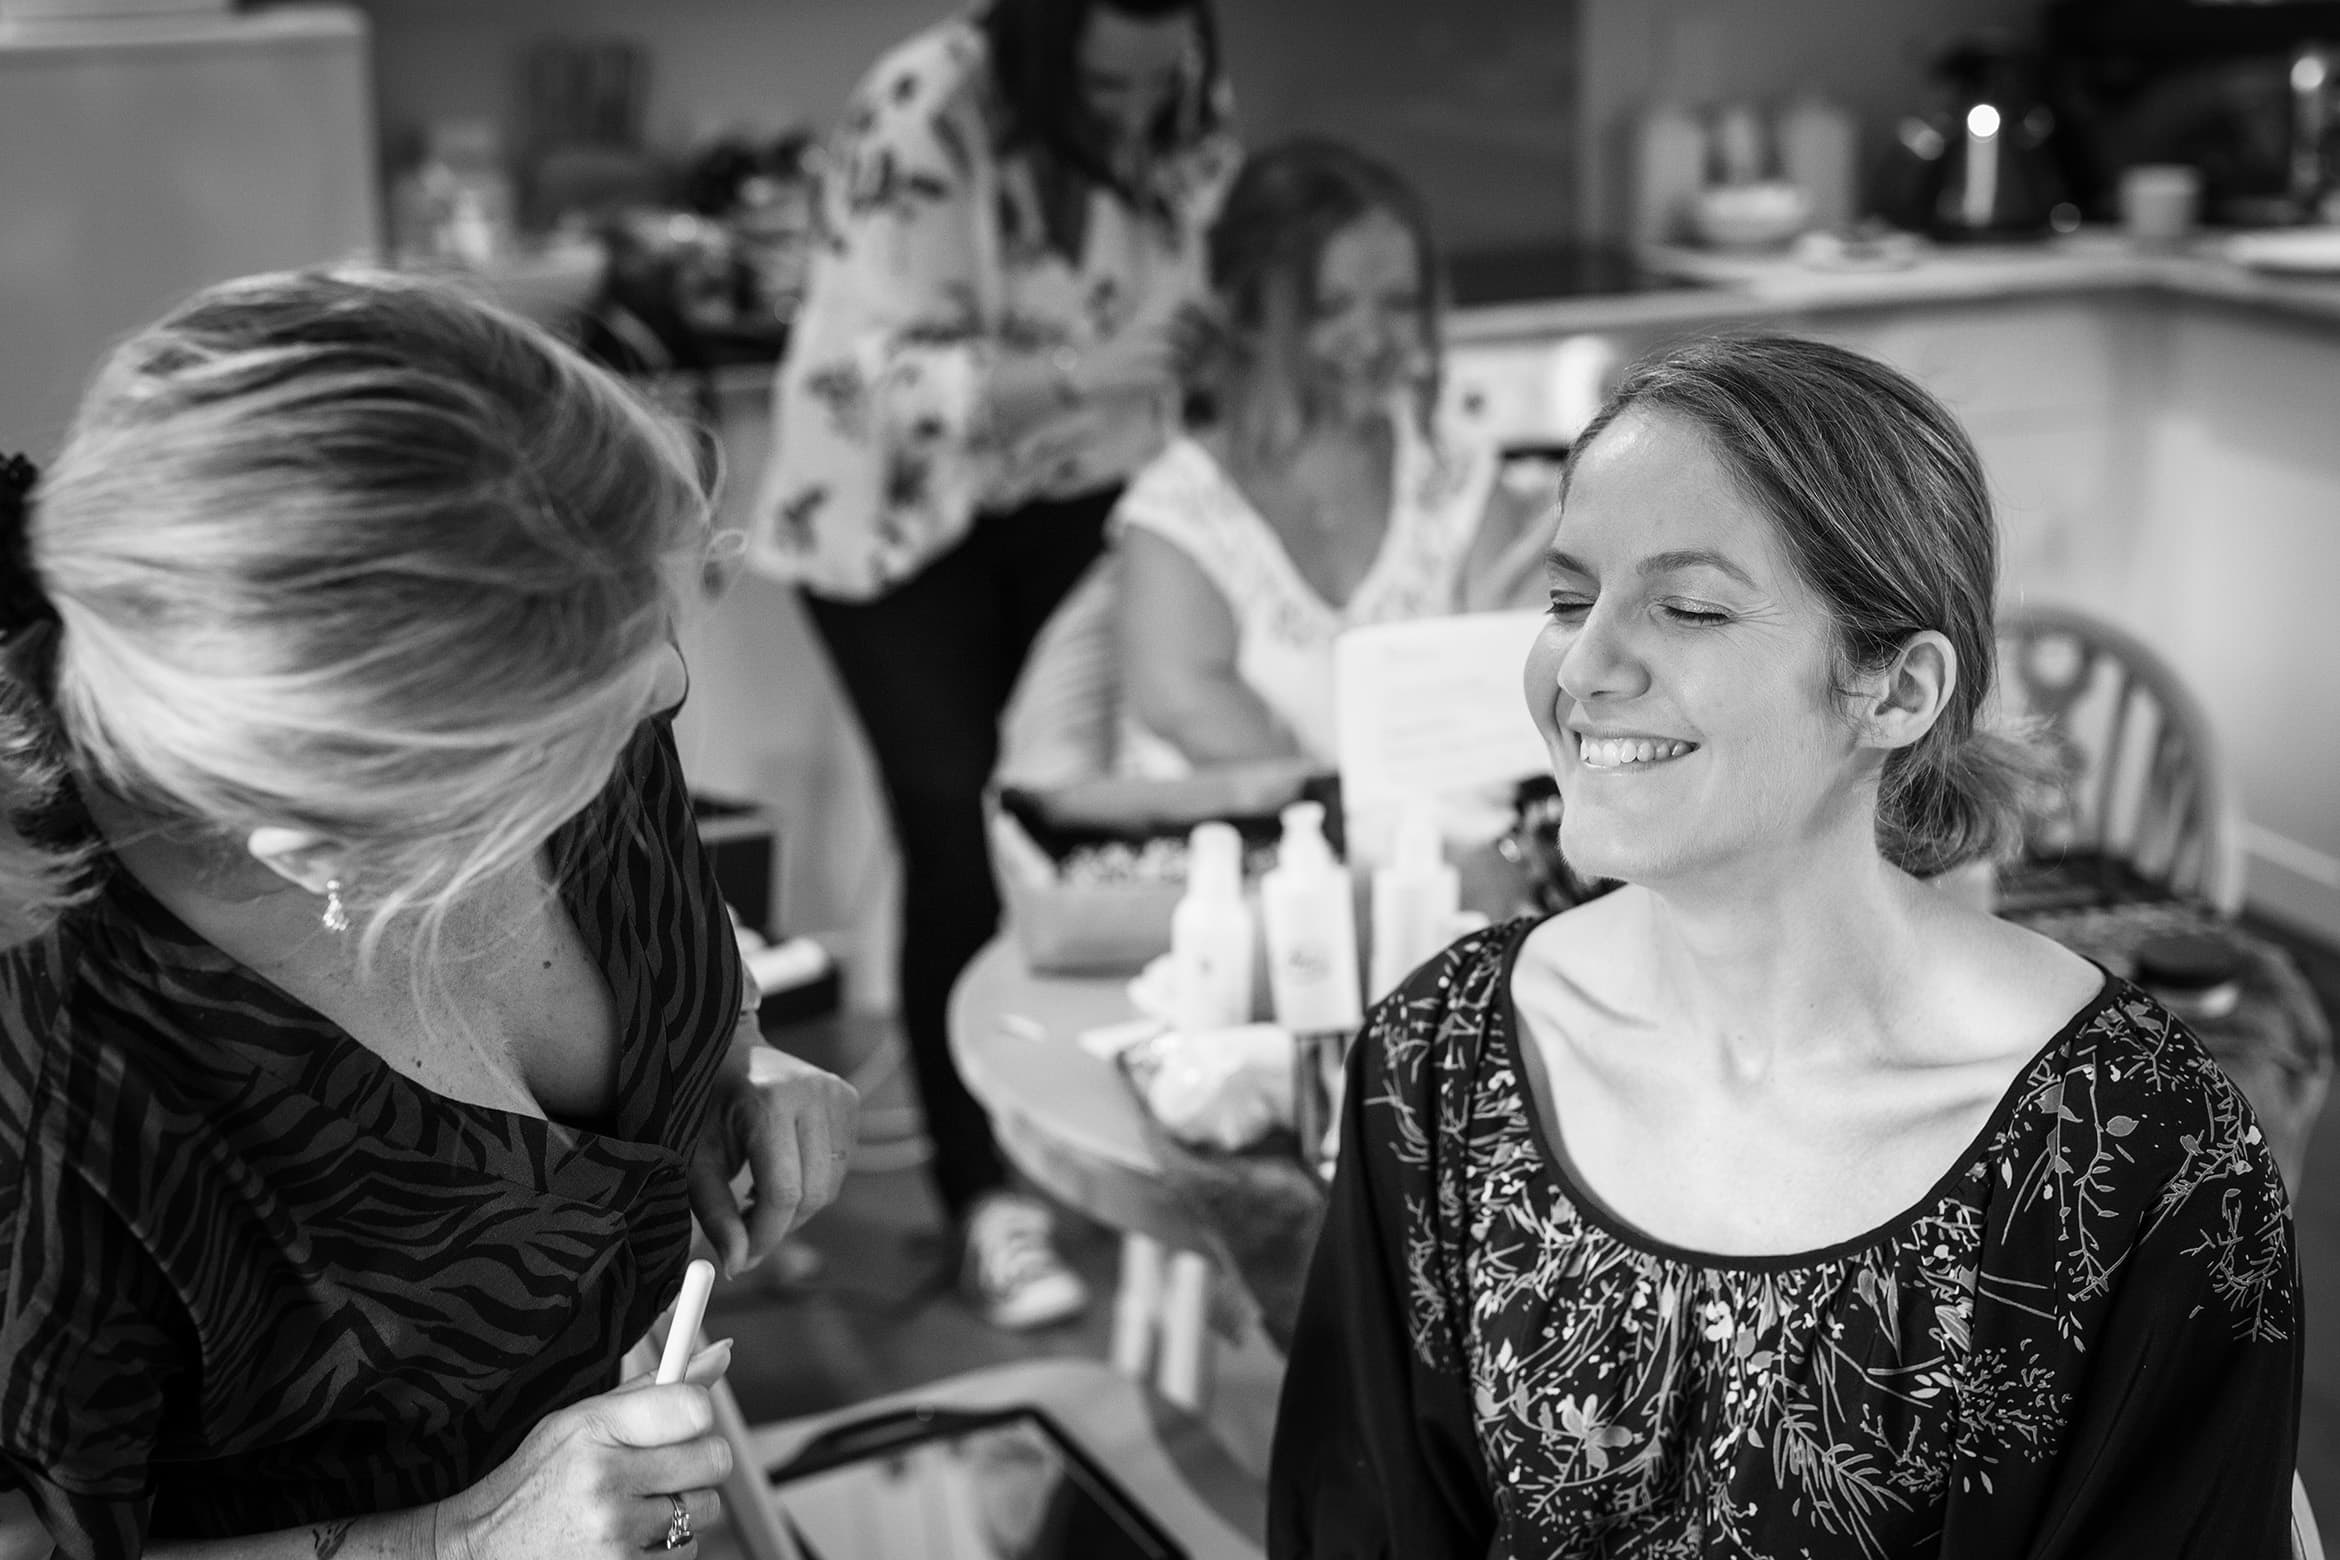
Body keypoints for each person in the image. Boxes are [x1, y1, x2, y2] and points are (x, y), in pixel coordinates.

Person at [1268, 335, 2302, 1556]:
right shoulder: (1442, 1068)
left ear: (1898, 692)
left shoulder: (2139, 1165)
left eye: (1690, 607)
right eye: (1566, 597)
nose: (1583, 667)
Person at [0, 269, 860, 1560]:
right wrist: (455, 1541)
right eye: (596, 715)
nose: (667, 687)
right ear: (341, 847)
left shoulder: (567, 653)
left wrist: (726, 1044)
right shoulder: (62, 1107)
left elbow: (646, 918)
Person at [750, 0, 1237, 1328]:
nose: (1140, 115)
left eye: (1162, 83)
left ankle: (1080, 1126)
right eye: (1106, 88)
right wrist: (1086, 368)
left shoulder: (1186, 102)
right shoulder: (926, 107)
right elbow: (864, 376)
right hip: (896, 525)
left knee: (1073, 815)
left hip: (1081, 493)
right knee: (958, 829)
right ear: (1034, 48)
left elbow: (1188, 287)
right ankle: (987, 1205)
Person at [1111, 136, 1548, 776]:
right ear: (1248, 314)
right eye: (1329, 307)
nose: (1371, 339)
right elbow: (1202, 723)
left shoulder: (1459, 480)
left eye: (1399, 304)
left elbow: (1515, 699)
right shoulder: (1172, 517)